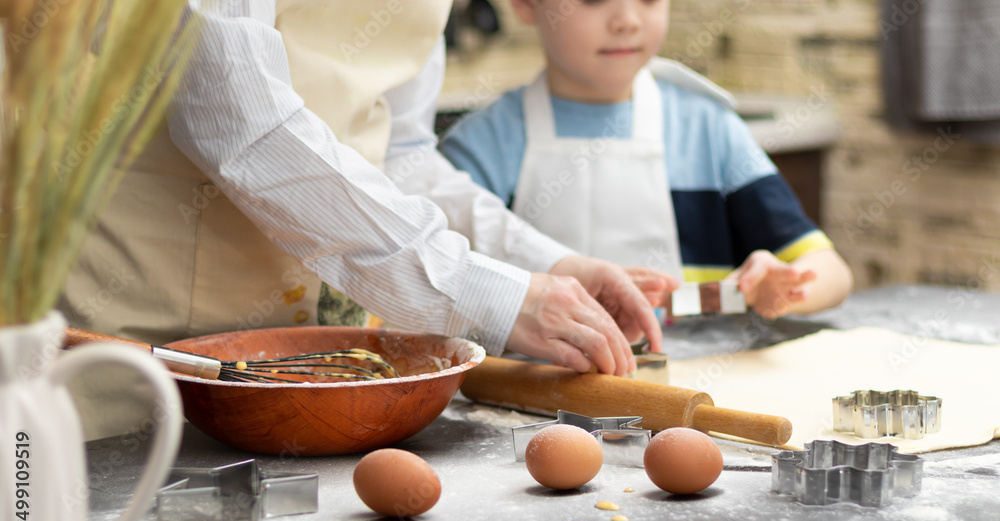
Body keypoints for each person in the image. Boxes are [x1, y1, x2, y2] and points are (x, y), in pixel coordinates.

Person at [59, 0, 679, 378]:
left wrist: (551, 267)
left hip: (319, 368)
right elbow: (238, 124)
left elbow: (402, 155)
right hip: (143, 345)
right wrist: (489, 298)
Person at [438, 0, 853, 318]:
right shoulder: (480, 147)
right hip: (537, 409)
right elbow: (439, 285)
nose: (627, 20)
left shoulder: (709, 130)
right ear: (526, 4)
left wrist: (785, 288)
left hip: (699, 399)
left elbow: (833, 272)